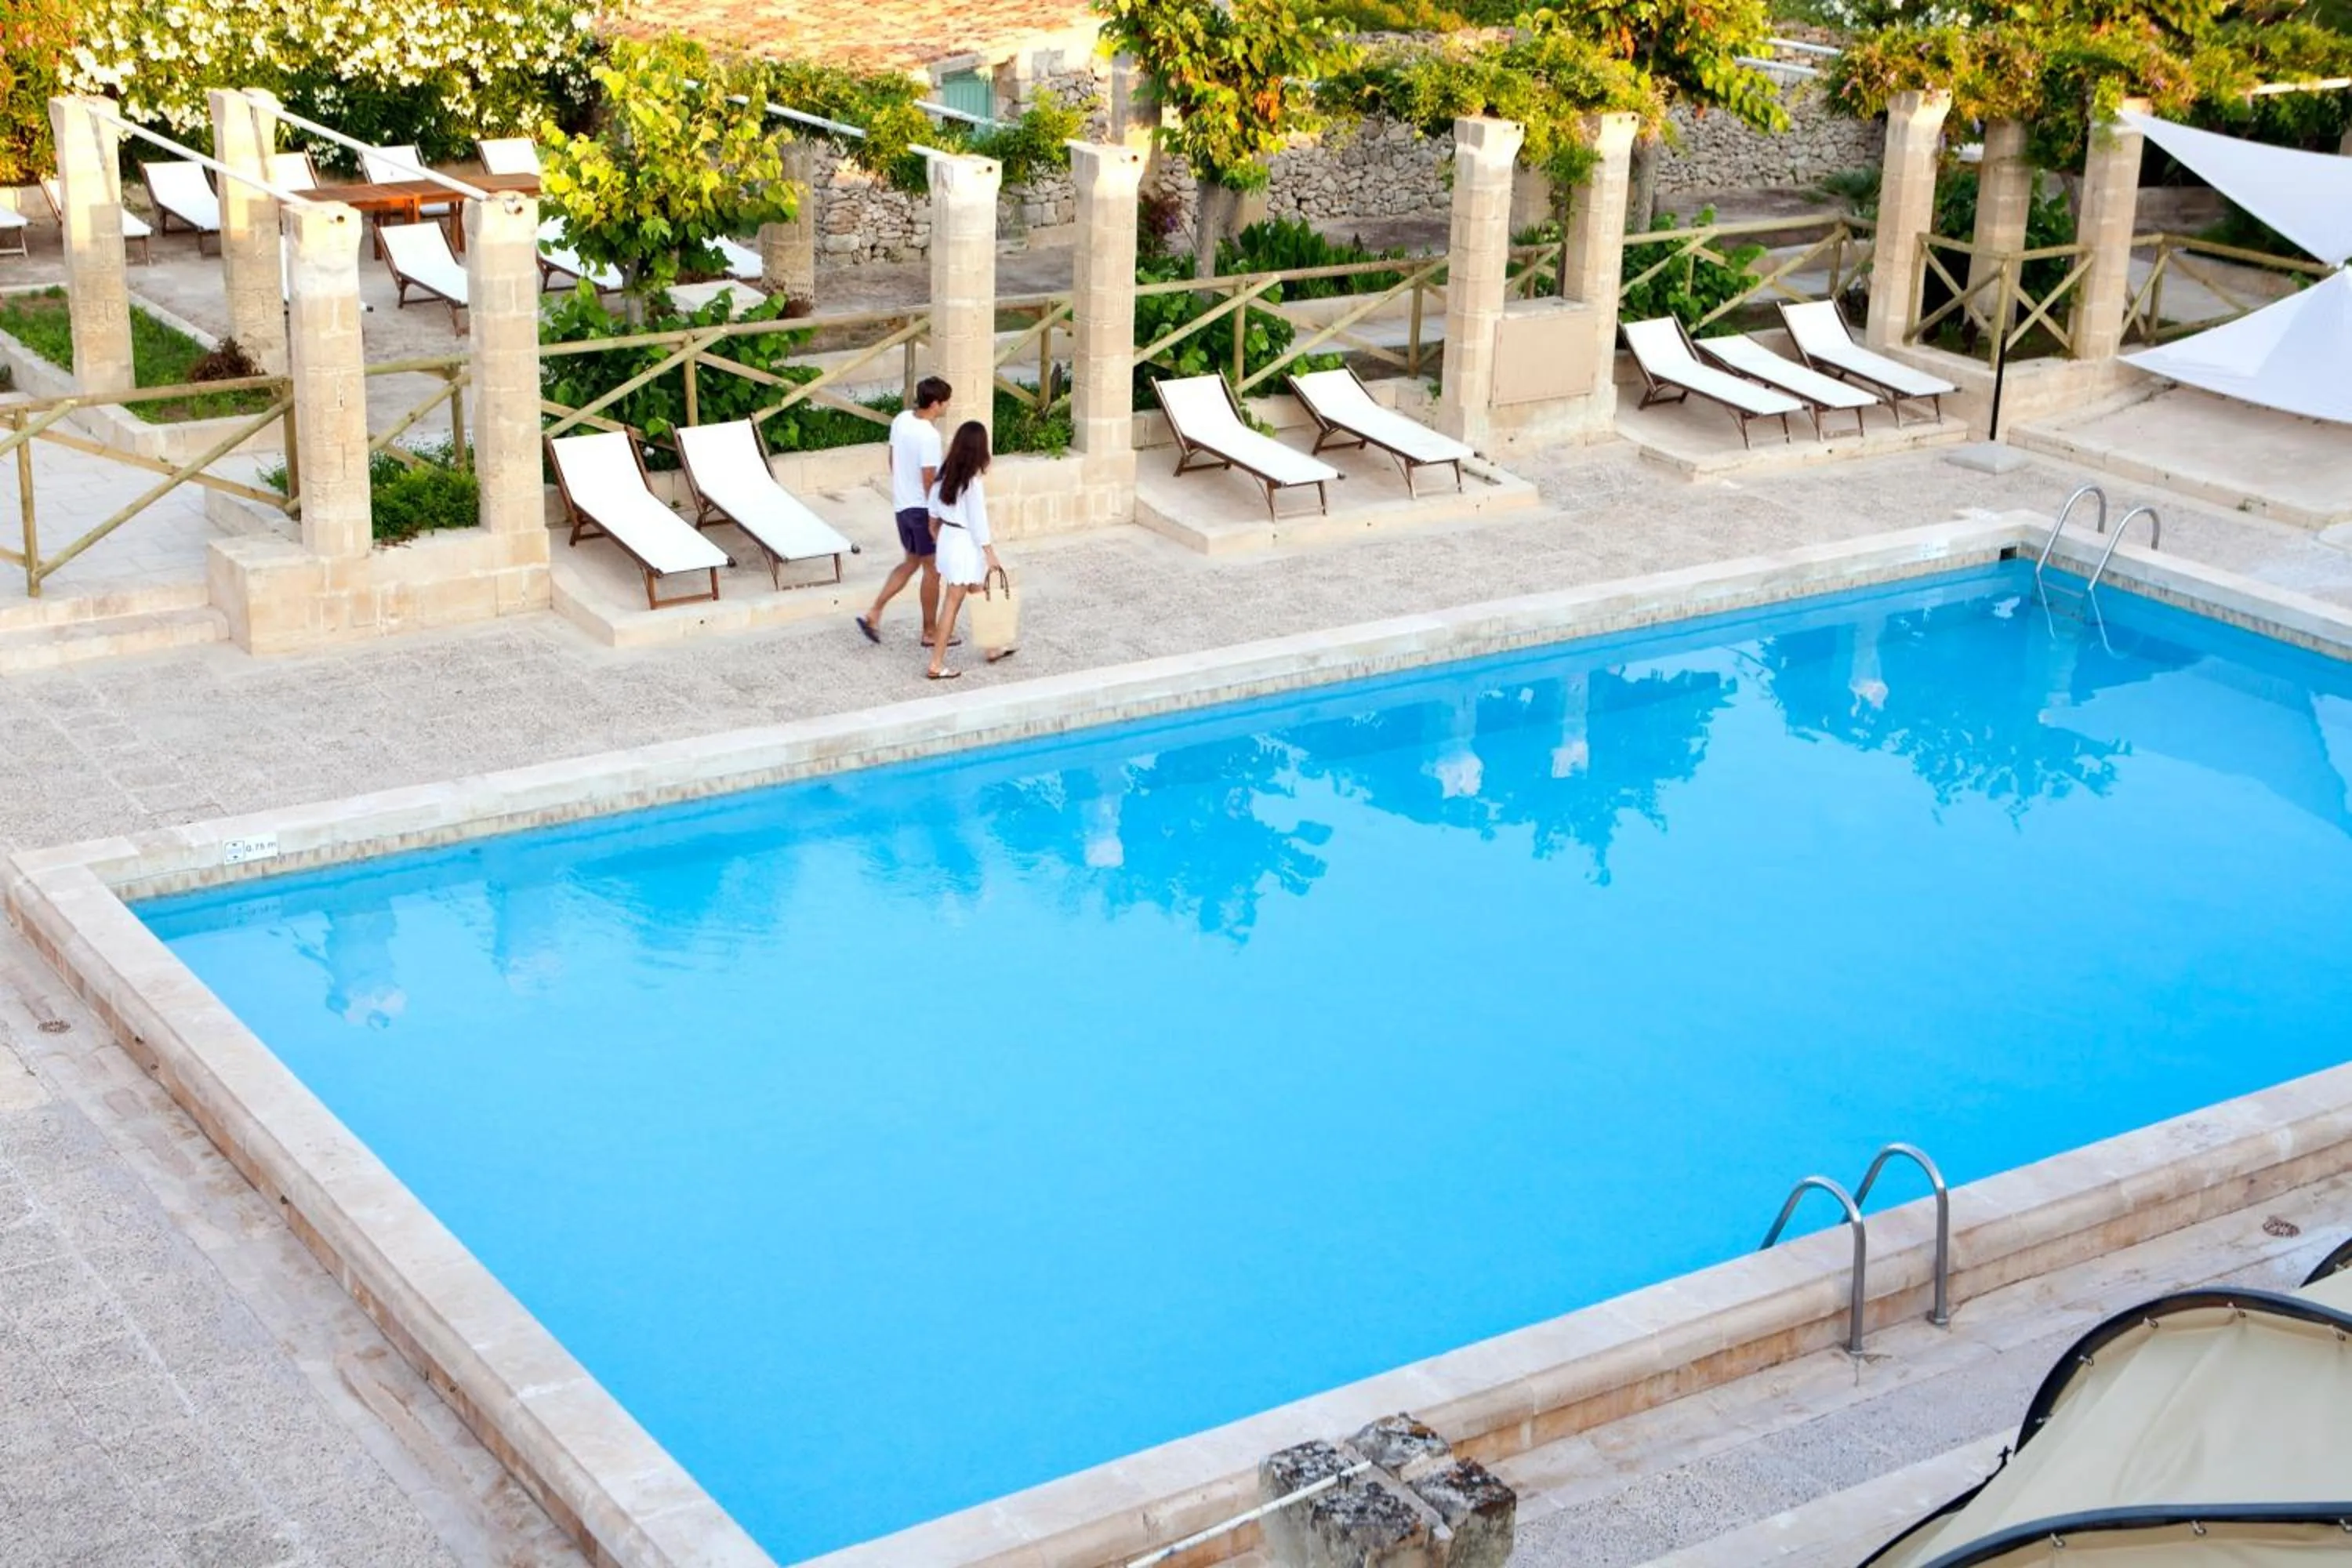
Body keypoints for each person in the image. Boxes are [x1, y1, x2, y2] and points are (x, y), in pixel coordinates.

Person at [857, 376, 953, 645]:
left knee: (911, 563)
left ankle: (874, 612)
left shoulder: (901, 420)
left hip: (902, 507)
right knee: (932, 571)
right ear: (935, 404)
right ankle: (930, 631)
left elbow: (892, 458)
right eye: (946, 403)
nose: (947, 407)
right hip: (922, 511)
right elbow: (929, 479)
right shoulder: (929, 436)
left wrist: (902, 488)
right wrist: (937, 517)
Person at [926, 419, 1011, 681]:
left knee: (978, 592)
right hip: (965, 543)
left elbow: (932, 517)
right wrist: (990, 553)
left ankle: (992, 647)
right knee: (953, 603)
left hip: (949, 539)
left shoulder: (943, 476)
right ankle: (936, 664)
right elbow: (978, 522)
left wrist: (942, 539)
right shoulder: (972, 483)